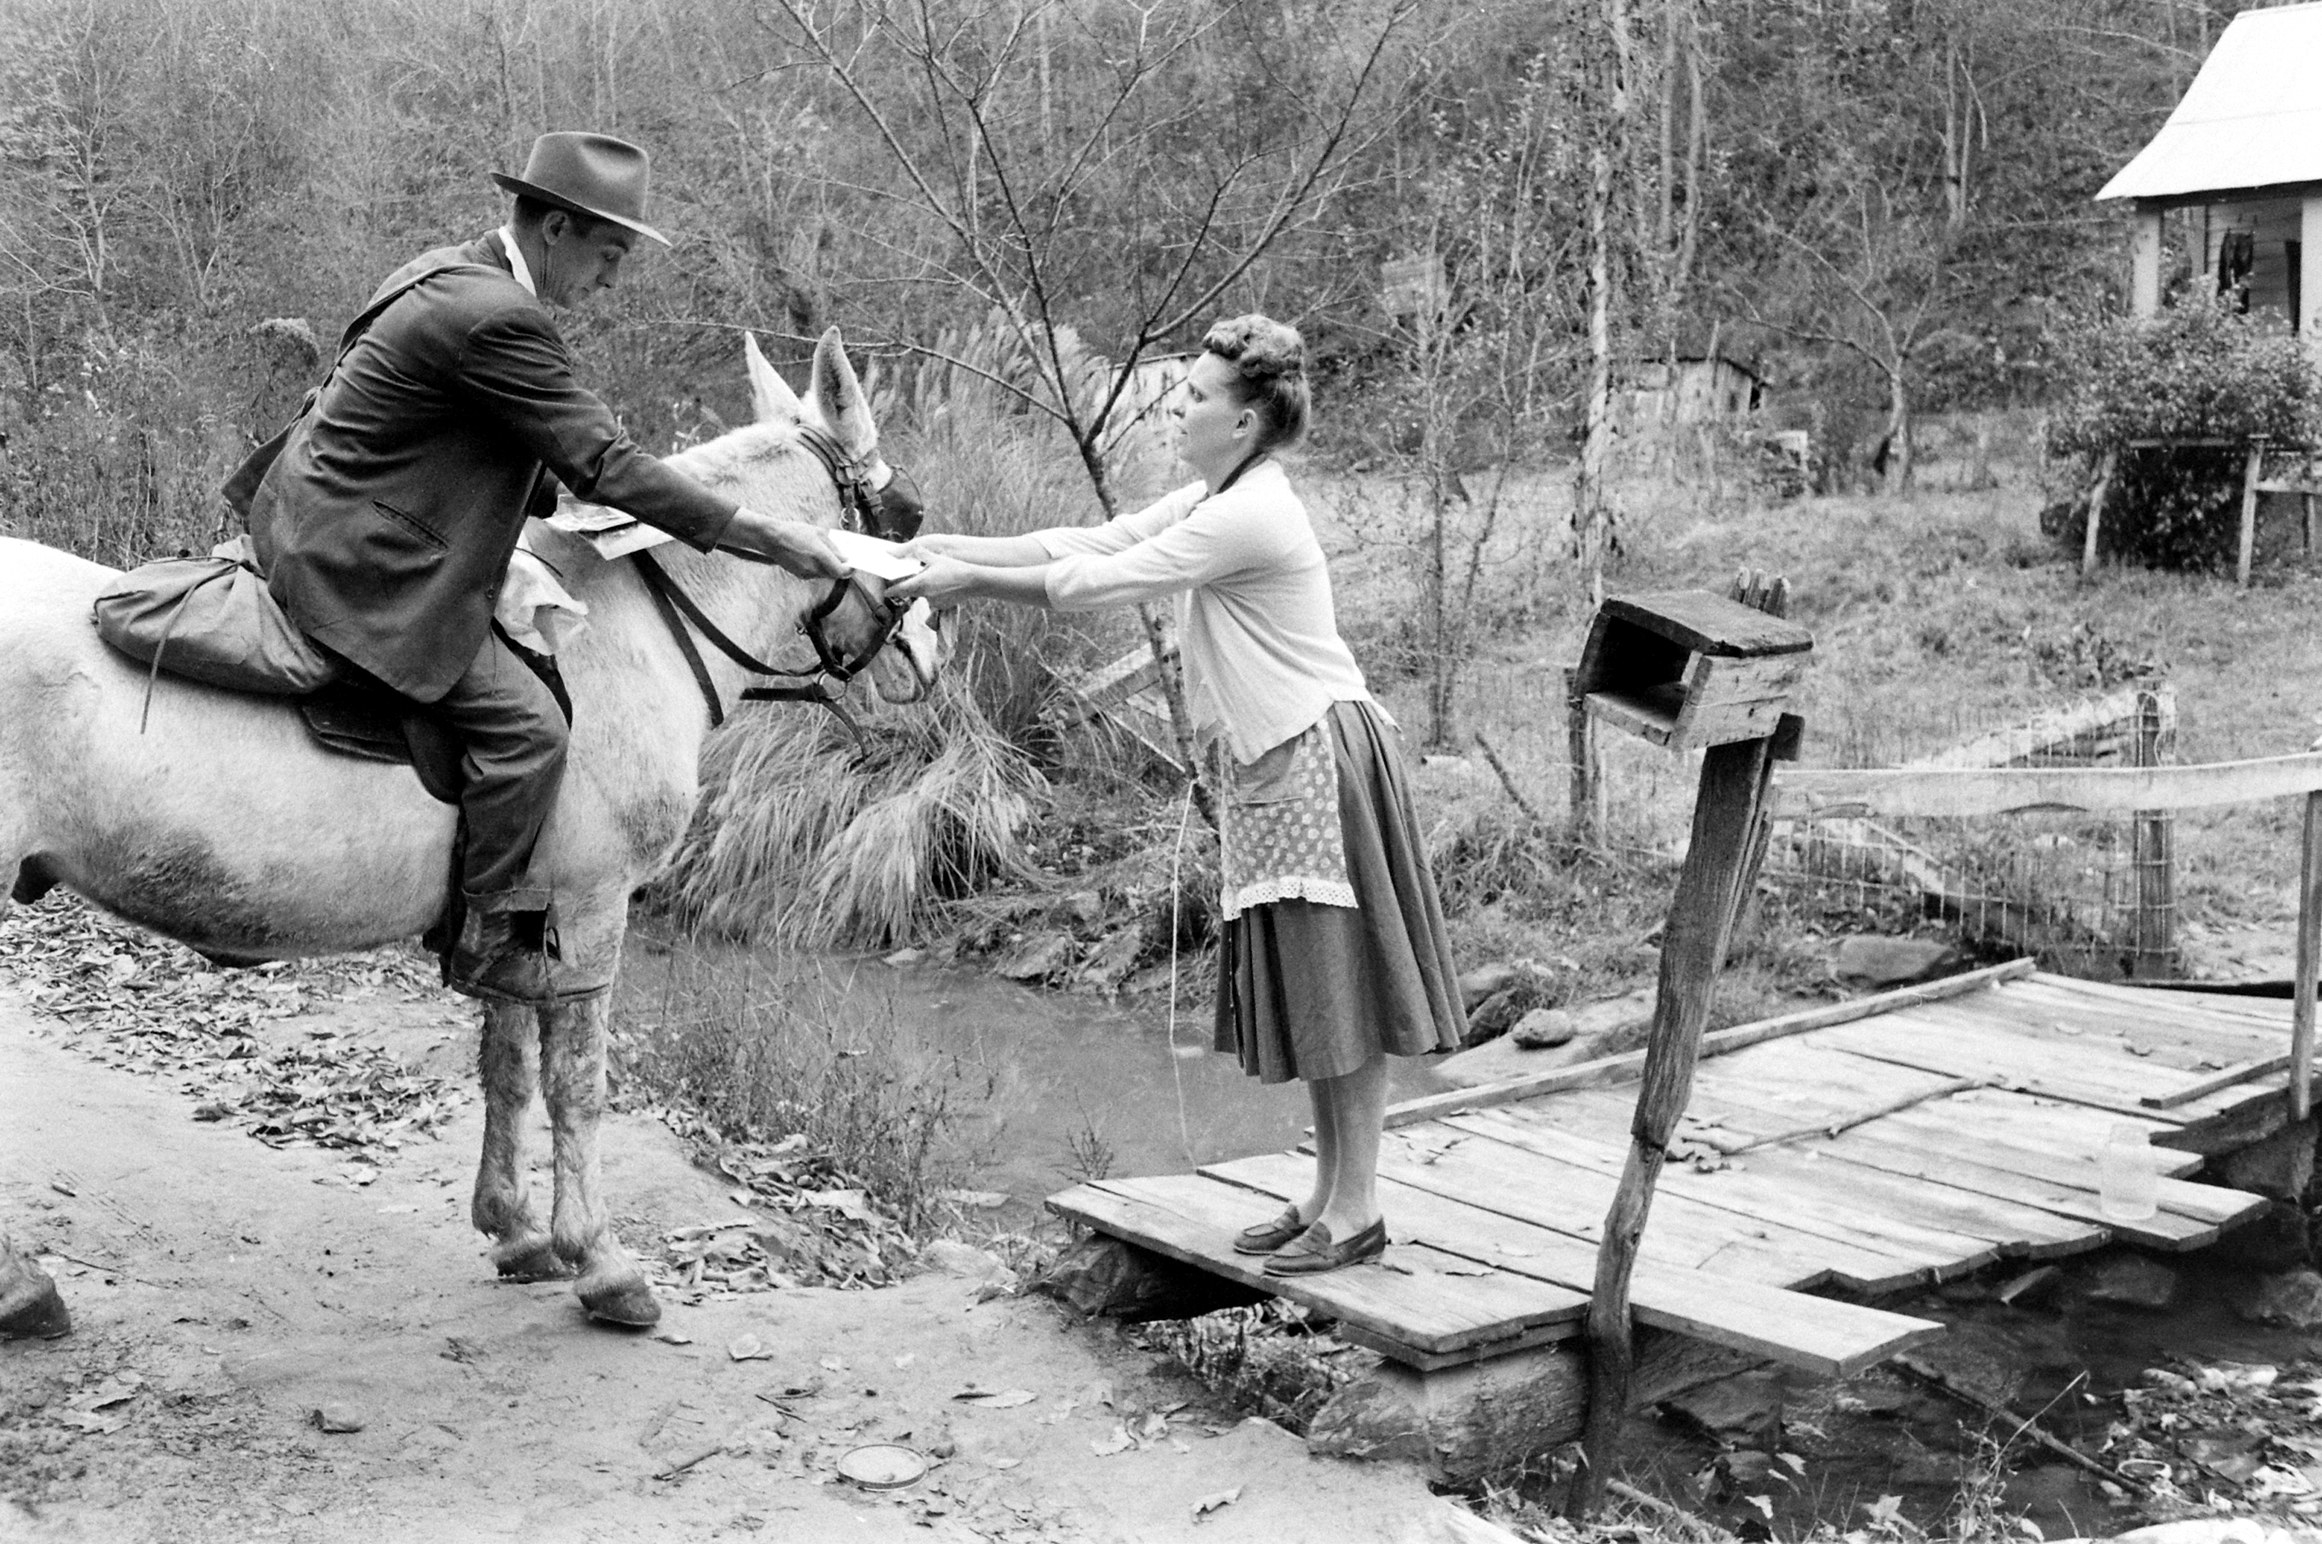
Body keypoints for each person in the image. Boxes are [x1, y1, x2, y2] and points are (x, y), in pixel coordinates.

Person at [890, 315, 1461, 1275]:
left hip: (1314, 756)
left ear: (1243, 423)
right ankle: (1328, 1193)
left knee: (1340, 986)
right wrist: (960, 545)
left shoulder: (1252, 511)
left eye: (1196, 396)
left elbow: (1108, 580)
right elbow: (1097, 535)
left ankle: (1357, 1207)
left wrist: (970, 582)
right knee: (1317, 985)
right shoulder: (1220, 492)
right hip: (1277, 759)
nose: (1178, 407)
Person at [234, 132, 851, 1005]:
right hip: (357, 558)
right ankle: (493, 945)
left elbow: (520, 450)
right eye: (610, 253)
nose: (613, 278)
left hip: (320, 516)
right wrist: (764, 535)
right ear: (556, 227)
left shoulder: (445, 270)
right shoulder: (500, 316)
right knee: (531, 730)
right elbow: (605, 464)